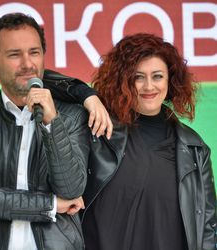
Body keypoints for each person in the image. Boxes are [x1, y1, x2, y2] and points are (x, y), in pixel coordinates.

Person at [44, 33, 217, 250]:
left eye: (157, 76)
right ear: (122, 81)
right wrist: (87, 96)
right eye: (138, 77)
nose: (148, 87)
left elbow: (208, 227)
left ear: (170, 80)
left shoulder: (195, 147)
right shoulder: (99, 127)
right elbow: (37, 78)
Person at [0, 13, 112, 250]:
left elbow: (72, 188)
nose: (27, 63)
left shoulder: (72, 116)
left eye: (34, 52)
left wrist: (51, 124)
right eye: (15, 54)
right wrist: (50, 205)